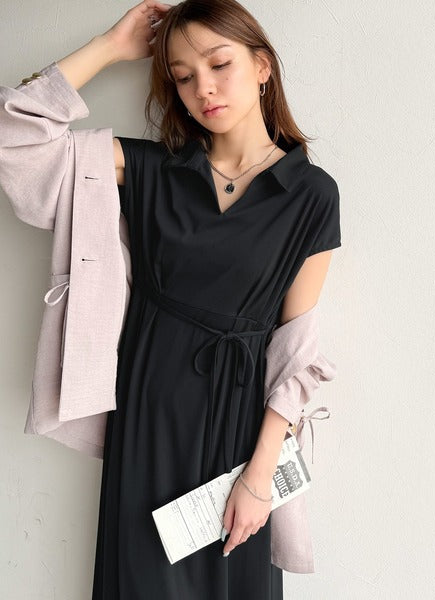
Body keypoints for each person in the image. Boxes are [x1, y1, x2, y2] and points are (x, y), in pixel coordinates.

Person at [5, 0, 341, 597]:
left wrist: (260, 475)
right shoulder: (149, 170)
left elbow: (297, 351)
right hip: (148, 419)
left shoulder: (311, 194)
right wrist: (111, 47)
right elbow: (15, 138)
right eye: (183, 77)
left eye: (219, 65)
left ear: (262, 67)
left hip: (242, 431)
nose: (202, 88)